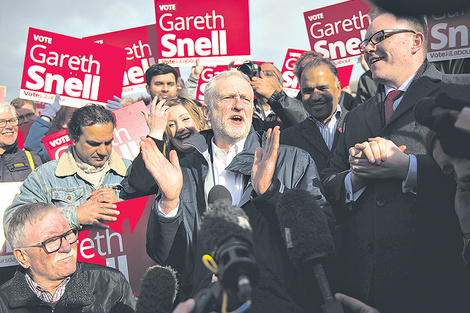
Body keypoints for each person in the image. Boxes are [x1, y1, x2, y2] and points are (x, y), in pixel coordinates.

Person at [130, 70, 334, 312]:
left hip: (279, 300)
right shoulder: (181, 171)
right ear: (206, 112)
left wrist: (270, 193)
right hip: (210, 302)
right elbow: (165, 255)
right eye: (228, 98)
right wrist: (169, 203)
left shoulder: (292, 160)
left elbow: (323, 231)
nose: (238, 105)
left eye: (246, 99)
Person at [321, 7, 470, 313]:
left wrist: (408, 169)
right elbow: (328, 179)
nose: (368, 48)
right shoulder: (356, 116)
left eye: (378, 38)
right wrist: (355, 178)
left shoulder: (460, 91)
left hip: (440, 284)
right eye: (365, 43)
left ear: (415, 42)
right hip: (364, 287)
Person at [4, 103, 136, 232]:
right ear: (73, 138)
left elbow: (152, 212)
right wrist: (74, 215)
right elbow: (12, 223)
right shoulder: (46, 177)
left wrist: (122, 204)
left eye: (108, 143)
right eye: (93, 144)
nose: (103, 151)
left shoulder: (130, 170)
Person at [0, 202, 136, 312]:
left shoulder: (110, 283)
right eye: (52, 240)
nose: (67, 247)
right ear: (22, 257)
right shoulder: (3, 303)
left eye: (69, 234)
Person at [128, 95, 210, 195]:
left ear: (199, 119)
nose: (180, 128)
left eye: (185, 119)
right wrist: (155, 132)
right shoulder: (165, 163)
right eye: (171, 124)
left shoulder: (217, 148)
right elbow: (141, 184)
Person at [280, 57, 348, 174]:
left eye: (322, 88)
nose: (316, 96)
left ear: (338, 88)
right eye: (308, 91)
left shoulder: (361, 123)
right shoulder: (287, 139)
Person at [0, 102, 43, 285]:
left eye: (12, 120)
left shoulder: (32, 158)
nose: (9, 126)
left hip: (24, 256)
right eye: (2, 122)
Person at [24, 94, 77, 162]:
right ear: (63, 122)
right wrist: (47, 115)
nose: (79, 117)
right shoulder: (56, 145)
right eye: (72, 115)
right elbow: (32, 145)